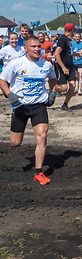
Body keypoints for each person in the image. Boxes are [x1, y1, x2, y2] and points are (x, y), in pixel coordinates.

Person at [0, 35, 57, 185]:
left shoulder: (46, 65)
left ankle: (38, 172)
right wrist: (10, 94)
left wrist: (52, 93)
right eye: (34, 46)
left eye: (39, 46)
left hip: (39, 106)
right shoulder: (16, 64)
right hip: (20, 107)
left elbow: (52, 78)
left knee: (42, 137)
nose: (38, 49)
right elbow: (2, 80)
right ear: (25, 48)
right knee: (15, 143)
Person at [53, 23, 76, 111]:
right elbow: (57, 53)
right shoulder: (62, 39)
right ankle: (52, 89)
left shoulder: (68, 40)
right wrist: (63, 67)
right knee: (64, 87)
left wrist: (80, 54)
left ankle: (65, 104)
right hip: (62, 66)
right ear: (71, 30)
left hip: (70, 65)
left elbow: (68, 52)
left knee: (73, 85)